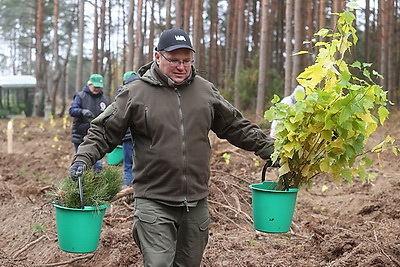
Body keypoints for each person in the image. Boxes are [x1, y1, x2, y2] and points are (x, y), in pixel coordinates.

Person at [69, 29, 274, 266]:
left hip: (196, 202)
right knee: (158, 263)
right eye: (174, 60)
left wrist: (269, 148)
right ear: (157, 57)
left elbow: (236, 126)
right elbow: (103, 131)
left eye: (186, 61)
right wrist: (82, 159)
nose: (181, 67)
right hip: (154, 200)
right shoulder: (135, 93)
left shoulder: (205, 91)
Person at [69, 73, 108, 173]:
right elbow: (72, 110)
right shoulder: (80, 96)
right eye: (95, 87)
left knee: (98, 165)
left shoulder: (103, 100)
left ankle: (97, 186)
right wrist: (82, 111)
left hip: (96, 137)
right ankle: (81, 186)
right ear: (89, 84)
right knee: (81, 164)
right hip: (80, 135)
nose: (97, 89)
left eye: (99, 87)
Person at [117, 71, 139, 187]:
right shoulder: (144, 92)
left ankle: (128, 191)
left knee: (128, 166)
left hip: (128, 136)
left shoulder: (121, 94)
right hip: (139, 136)